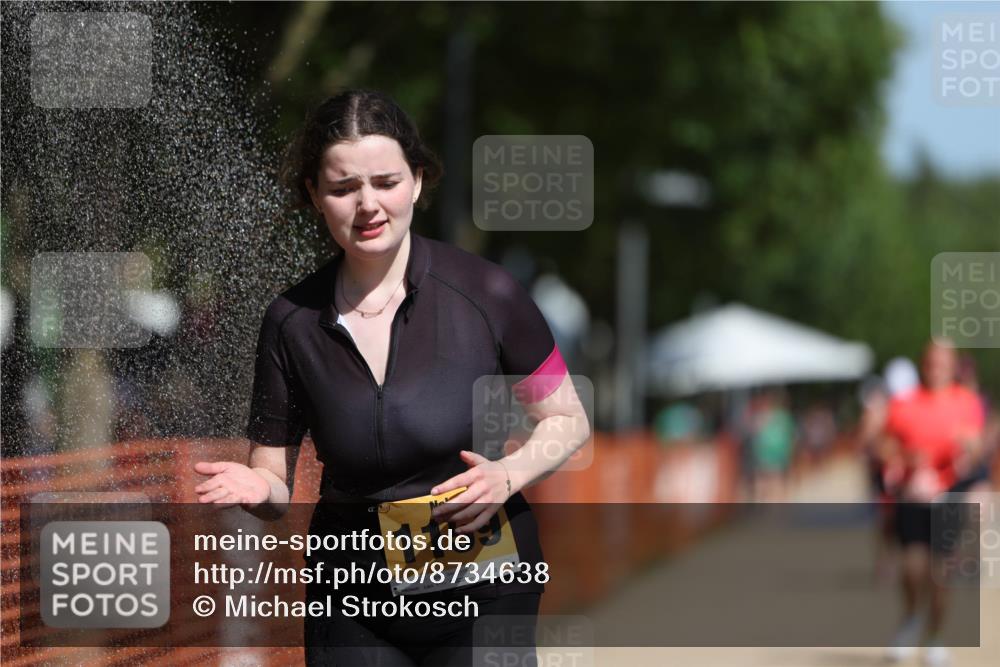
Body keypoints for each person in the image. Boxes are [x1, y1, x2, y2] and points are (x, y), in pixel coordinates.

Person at [192, 89, 591, 666]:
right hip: (350, 589)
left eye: (386, 181)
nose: (368, 205)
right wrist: (261, 492)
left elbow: (567, 419)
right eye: (343, 187)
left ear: (418, 181)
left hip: (482, 580)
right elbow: (272, 475)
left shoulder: (489, 292)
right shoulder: (290, 321)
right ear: (314, 194)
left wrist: (508, 475)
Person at [882, 341, 984, 666]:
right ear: (922, 364)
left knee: (942, 573)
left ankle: (935, 638)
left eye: (942, 362)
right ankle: (911, 618)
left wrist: (970, 448)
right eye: (930, 362)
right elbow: (885, 445)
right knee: (912, 567)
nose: (935, 368)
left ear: (952, 366)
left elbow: (977, 448)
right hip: (913, 493)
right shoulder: (903, 402)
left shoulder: (966, 402)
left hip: (949, 493)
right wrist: (904, 459)